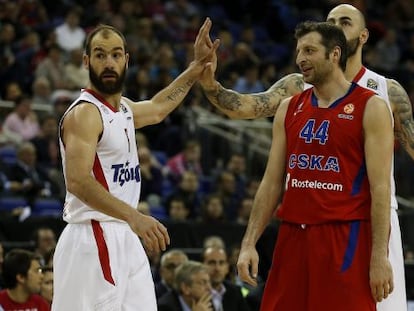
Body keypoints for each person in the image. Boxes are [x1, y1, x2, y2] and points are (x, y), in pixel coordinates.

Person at [198, 4, 413, 310]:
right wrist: (210, 83)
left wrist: (379, 254)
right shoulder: (295, 89)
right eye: (330, 21)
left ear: (356, 39)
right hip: (298, 227)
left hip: (362, 221)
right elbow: (246, 108)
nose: (301, 58)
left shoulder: (383, 93)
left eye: (344, 22)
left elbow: (390, 174)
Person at [52, 19, 219, 311]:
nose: (109, 62)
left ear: (126, 60)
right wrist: (135, 217)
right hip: (93, 235)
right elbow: (77, 181)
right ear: (86, 60)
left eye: (116, 54)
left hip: (125, 233)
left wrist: (195, 69)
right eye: (100, 54)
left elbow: (156, 109)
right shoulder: (85, 114)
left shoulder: (123, 109)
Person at [237, 21, 394, 310]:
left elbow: (381, 189)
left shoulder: (371, 107)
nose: (300, 59)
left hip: (343, 236)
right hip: (292, 235)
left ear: (334, 54)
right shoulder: (289, 107)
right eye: (299, 52)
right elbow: (272, 182)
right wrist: (249, 243)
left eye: (309, 51)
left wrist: (379, 256)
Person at [202, 246, 251, 311]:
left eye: (221, 263)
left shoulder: (235, 291)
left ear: (227, 267)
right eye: (212, 263)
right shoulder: (194, 292)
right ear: (201, 265)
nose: (217, 268)